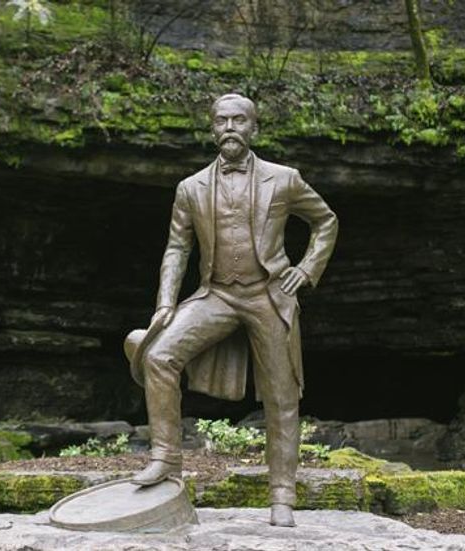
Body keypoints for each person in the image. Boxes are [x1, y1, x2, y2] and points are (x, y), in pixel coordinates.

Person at [125, 93, 338, 527]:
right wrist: (166, 302)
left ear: (253, 128)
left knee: (282, 394)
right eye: (221, 121)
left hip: (268, 294)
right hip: (216, 294)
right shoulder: (190, 188)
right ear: (211, 129)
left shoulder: (284, 179)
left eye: (239, 120)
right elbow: (177, 247)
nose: (229, 128)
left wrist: (307, 269)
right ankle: (165, 457)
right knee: (158, 356)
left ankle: (282, 496)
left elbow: (326, 221)